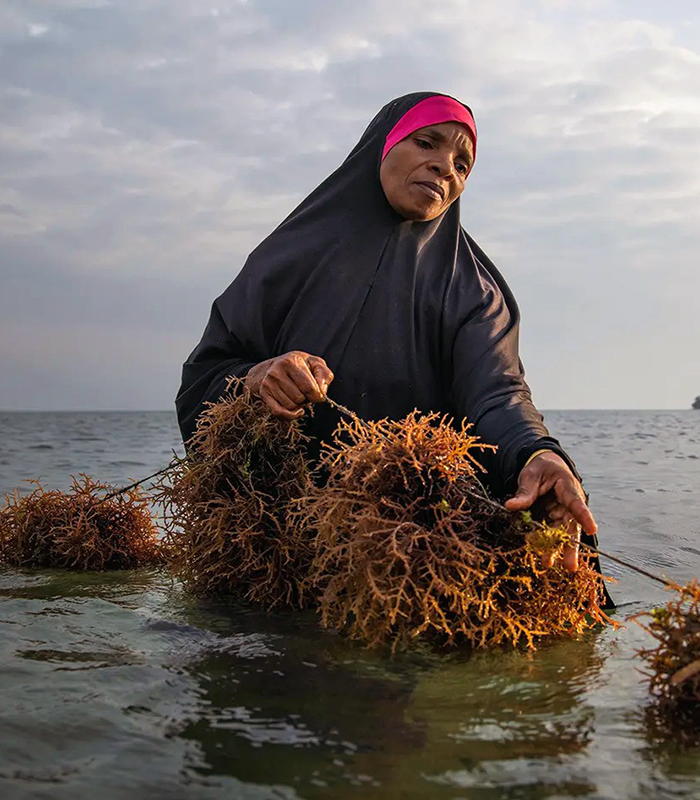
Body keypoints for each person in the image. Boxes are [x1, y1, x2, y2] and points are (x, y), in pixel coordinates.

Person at [176, 92, 598, 573]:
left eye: (463, 164)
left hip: (412, 546)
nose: (445, 167)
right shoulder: (284, 259)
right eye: (426, 143)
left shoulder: (476, 293)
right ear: (381, 144)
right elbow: (205, 375)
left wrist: (536, 452)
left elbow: (498, 395)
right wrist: (258, 378)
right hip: (272, 538)